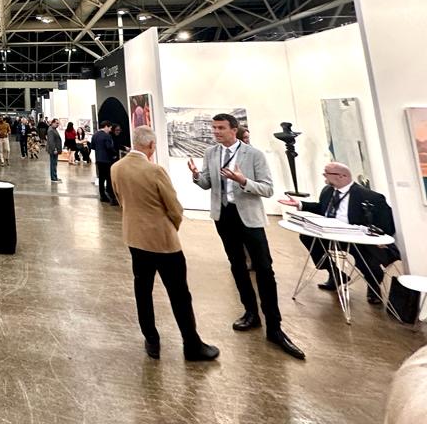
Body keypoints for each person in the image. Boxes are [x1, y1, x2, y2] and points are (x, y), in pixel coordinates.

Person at [188, 113, 305, 360]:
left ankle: (274, 326)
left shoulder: (254, 155)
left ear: (234, 130)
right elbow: (208, 183)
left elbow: (268, 188)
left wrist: (243, 181)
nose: (216, 132)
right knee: (237, 265)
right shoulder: (211, 153)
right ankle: (250, 312)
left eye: (221, 128)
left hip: (249, 218)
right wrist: (197, 176)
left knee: (264, 269)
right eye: (214, 128)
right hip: (224, 216)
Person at [112, 126, 219, 362]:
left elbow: (121, 199)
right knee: (179, 293)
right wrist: (171, 227)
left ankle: (151, 339)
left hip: (134, 238)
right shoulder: (155, 171)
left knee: (142, 290)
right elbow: (174, 208)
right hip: (162, 241)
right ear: (151, 145)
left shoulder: (116, 168)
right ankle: (191, 344)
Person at [280, 161, 399, 304]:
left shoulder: (370, 197)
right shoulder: (327, 191)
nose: (324, 176)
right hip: (331, 235)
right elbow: (322, 208)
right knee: (307, 237)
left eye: (326, 173)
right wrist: (300, 204)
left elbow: (386, 225)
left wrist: (377, 237)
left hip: (356, 238)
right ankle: (335, 274)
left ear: (342, 176)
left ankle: (373, 286)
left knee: (366, 257)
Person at [91, 122, 117, 205]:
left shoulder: (95, 135)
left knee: (101, 178)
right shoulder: (106, 136)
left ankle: (102, 196)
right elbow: (109, 147)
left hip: (99, 159)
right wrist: (114, 154)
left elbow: (92, 146)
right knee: (109, 178)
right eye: (110, 128)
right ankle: (112, 197)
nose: (110, 130)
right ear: (106, 126)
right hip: (107, 160)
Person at [46, 118, 63, 183]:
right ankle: (53, 178)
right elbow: (51, 141)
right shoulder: (51, 130)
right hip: (53, 150)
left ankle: (55, 176)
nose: (57, 124)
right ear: (53, 123)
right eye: (56, 123)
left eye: (58, 123)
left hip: (55, 150)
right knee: (53, 164)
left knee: (54, 164)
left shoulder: (53, 129)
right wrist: (54, 149)